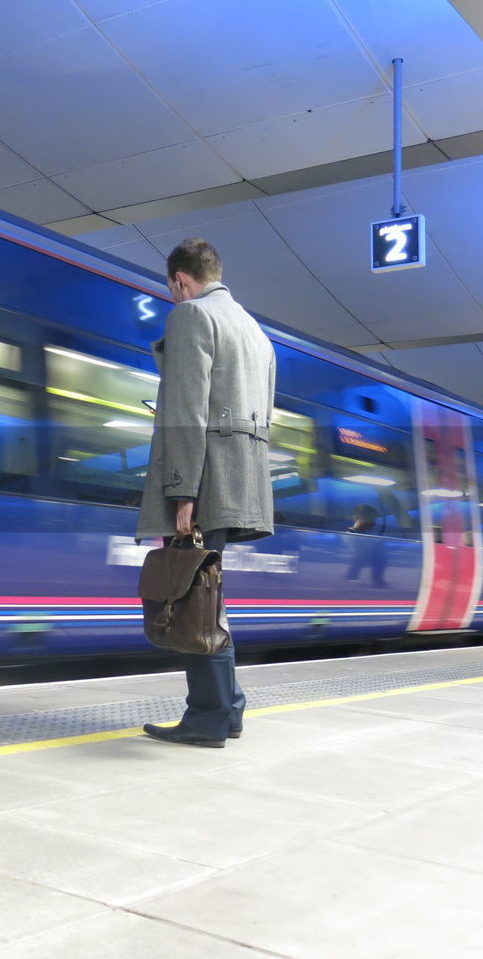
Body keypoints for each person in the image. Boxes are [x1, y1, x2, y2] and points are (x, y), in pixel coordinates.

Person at [136, 238, 275, 748]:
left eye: (172, 289)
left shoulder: (192, 316)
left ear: (179, 281)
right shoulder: (257, 332)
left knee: (194, 598)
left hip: (204, 481)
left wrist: (183, 490)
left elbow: (186, 410)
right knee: (208, 597)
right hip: (242, 482)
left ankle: (209, 716)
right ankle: (229, 708)